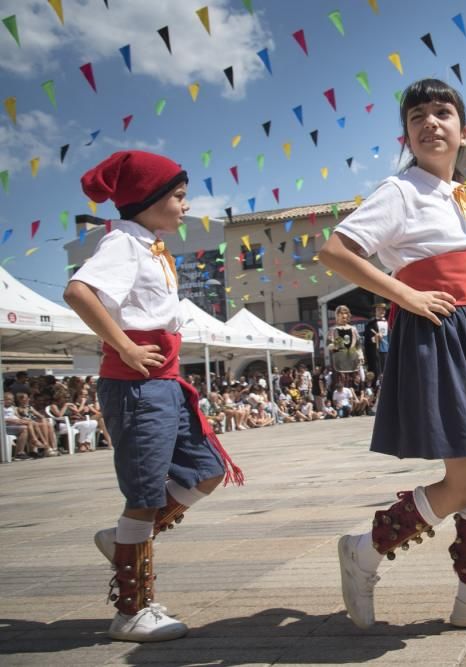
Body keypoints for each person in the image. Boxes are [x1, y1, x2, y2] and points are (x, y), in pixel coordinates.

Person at [318, 79, 466, 630]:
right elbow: (334, 251)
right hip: (436, 330)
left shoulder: (454, 195)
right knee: (464, 475)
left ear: (464, 132)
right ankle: (364, 550)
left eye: (443, 112)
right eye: (418, 115)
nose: (430, 122)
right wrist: (405, 295)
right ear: (407, 135)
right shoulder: (401, 190)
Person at [63, 150, 242, 642]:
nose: (186, 206)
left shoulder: (149, 244)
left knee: (205, 470)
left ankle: (124, 539)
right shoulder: (123, 243)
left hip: (163, 381)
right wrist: (123, 344)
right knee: (143, 494)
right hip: (137, 383)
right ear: (148, 199)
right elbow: (78, 292)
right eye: (179, 196)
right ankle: (130, 611)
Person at [364, 302, 391, 379]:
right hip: (376, 352)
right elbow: (367, 339)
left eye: (383, 310)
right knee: (378, 371)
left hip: (388, 350)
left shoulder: (390, 323)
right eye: (379, 310)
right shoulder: (370, 324)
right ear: (375, 311)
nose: (381, 311)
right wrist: (374, 339)